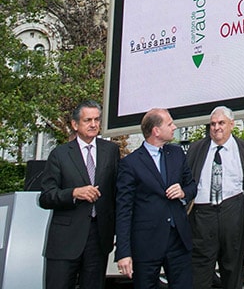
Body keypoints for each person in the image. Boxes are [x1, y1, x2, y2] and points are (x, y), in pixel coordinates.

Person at [39, 100, 120, 289]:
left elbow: (117, 192)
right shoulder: (59, 154)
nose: (93, 124)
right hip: (65, 239)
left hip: (99, 237)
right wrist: (74, 193)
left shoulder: (111, 151)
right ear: (75, 125)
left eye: (97, 120)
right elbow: (46, 196)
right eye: (88, 120)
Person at [187, 106, 244, 289]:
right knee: (198, 277)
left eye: (221, 123)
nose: (216, 127)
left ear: (231, 125)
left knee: (232, 275)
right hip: (202, 219)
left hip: (233, 217)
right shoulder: (195, 150)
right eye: (213, 124)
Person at [115, 108, 197, 289]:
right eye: (169, 124)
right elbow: (123, 210)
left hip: (178, 241)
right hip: (146, 245)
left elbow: (192, 186)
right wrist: (123, 252)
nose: (174, 127)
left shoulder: (176, 154)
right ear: (156, 131)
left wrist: (183, 192)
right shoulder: (131, 164)